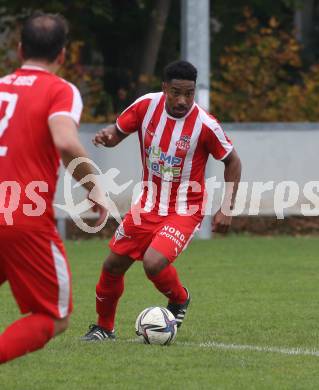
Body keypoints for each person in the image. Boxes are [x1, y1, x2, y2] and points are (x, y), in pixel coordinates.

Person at [82, 60, 242, 341]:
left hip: (184, 208)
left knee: (153, 263)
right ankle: (104, 329)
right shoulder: (146, 105)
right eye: (176, 92)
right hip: (147, 204)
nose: (183, 100)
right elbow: (117, 133)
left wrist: (227, 207)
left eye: (189, 94)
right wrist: (107, 136)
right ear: (164, 88)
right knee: (112, 266)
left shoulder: (205, 125)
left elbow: (233, 161)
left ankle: (179, 299)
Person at [0, 13, 107, 363]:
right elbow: (65, 140)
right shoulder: (60, 90)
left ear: (19, 50)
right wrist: (94, 186)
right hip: (22, 216)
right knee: (53, 316)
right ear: (62, 55)